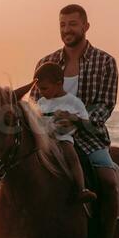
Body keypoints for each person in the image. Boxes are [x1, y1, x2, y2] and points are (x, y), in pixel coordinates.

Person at [33, 4, 119, 238]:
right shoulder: (46, 61)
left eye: (72, 24)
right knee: (14, 170)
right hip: (49, 136)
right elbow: (35, 101)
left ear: (85, 27)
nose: (67, 30)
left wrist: (76, 121)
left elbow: (105, 105)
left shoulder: (105, 62)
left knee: (108, 181)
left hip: (88, 137)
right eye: (62, 25)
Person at [32, 62, 98, 204]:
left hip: (62, 137)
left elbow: (86, 122)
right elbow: (36, 119)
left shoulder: (73, 102)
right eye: (39, 89)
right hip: (44, 138)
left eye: (44, 88)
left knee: (71, 156)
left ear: (59, 83)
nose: (41, 92)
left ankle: (81, 189)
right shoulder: (42, 102)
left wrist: (71, 118)